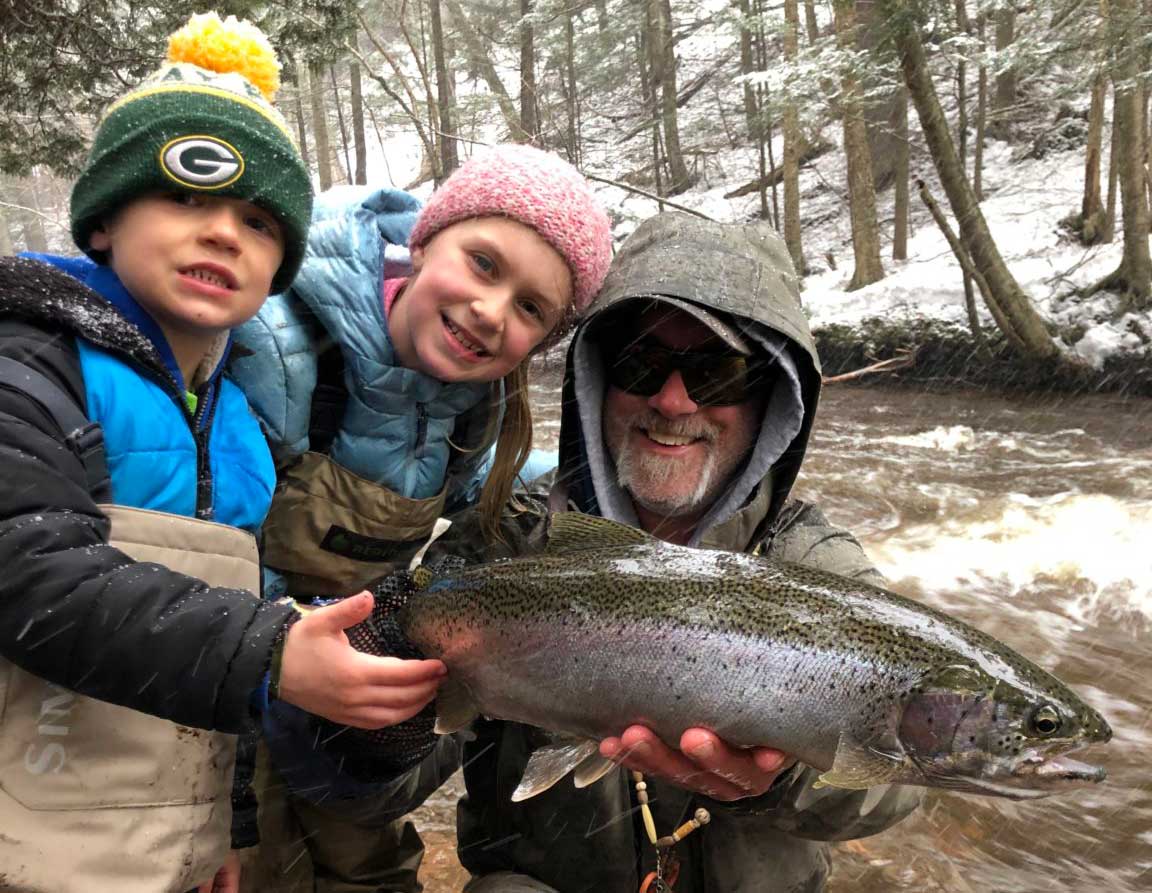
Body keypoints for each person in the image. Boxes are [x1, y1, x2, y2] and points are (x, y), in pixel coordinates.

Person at [341, 211, 923, 892]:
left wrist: (780, 771)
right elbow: (363, 796)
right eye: (640, 362)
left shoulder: (816, 567)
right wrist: (383, 708)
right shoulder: (507, 544)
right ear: (596, 382)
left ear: (771, 399)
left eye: (718, 370)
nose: (673, 399)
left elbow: (906, 787)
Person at [0, 13, 444, 892]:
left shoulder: (242, 423)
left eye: (257, 219)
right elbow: (31, 571)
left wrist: (226, 831)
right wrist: (275, 653)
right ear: (101, 222)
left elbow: (219, 664)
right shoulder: (30, 358)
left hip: (160, 854)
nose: (222, 234)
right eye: (185, 196)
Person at [226, 145, 613, 889]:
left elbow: (492, 493)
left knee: (372, 871)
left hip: (344, 694)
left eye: (531, 307)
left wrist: (608, 499)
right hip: (227, 675)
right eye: (483, 263)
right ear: (427, 237)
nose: (490, 310)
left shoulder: (477, 403)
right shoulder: (273, 346)